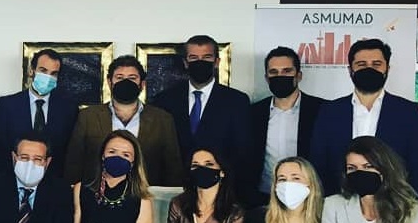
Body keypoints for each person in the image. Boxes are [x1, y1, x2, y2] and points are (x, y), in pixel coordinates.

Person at [310, 39, 418, 200]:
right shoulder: (329, 111)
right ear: (350, 70)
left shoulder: (409, 112)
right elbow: (318, 165)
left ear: (387, 69)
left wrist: (412, 208)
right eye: (361, 64)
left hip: (393, 205)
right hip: (340, 203)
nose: (369, 69)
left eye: (376, 64)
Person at [65, 55, 183, 186]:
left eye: (132, 78)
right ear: (109, 82)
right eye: (119, 78)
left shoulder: (162, 119)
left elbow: (173, 168)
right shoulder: (88, 116)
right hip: (97, 193)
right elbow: (74, 163)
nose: (125, 82)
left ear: (142, 84)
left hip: (147, 193)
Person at [240, 47, 326, 208]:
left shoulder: (322, 110)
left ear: (299, 75)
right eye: (274, 72)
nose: (280, 76)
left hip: (308, 199)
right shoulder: (253, 113)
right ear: (266, 78)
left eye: (287, 71)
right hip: (263, 199)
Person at [151, 35, 250, 168]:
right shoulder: (165, 100)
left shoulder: (236, 101)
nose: (200, 62)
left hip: (218, 178)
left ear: (217, 62)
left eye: (206, 57)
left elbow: (241, 150)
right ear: (186, 63)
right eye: (193, 58)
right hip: (175, 178)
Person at [0, 48, 77, 176]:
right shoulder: (7, 105)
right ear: (31, 70)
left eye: (53, 73)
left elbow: (68, 151)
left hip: (54, 179)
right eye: (43, 71)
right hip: (12, 177)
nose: (48, 77)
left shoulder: (68, 109)